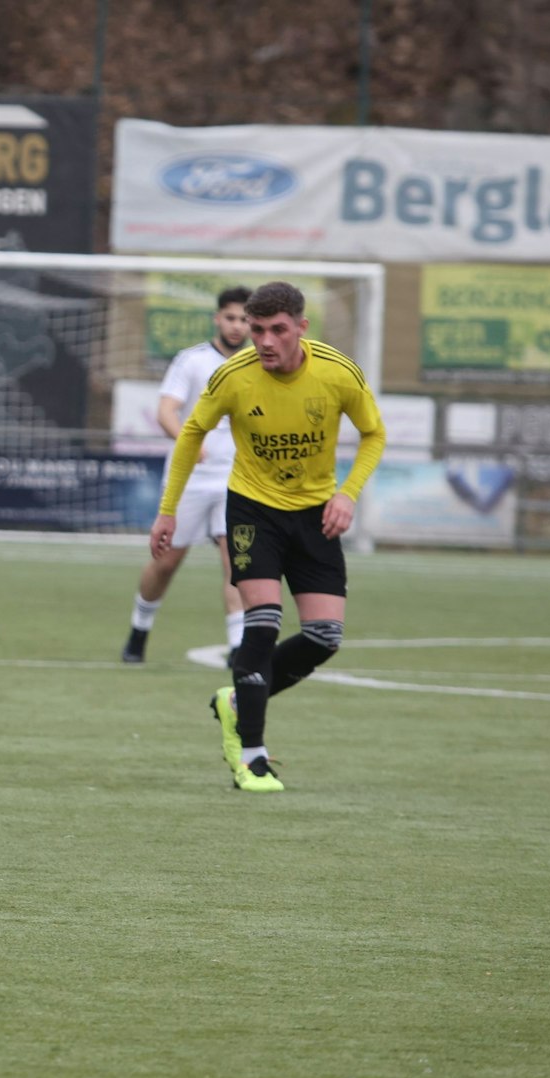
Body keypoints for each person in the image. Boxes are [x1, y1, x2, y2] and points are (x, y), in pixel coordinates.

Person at [150, 281, 386, 793]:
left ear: (301, 327)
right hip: (253, 510)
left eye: (278, 330)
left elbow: (374, 433)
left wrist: (347, 494)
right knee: (262, 623)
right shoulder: (234, 377)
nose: (265, 341)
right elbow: (191, 432)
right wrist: (168, 511)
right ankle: (252, 758)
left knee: (325, 637)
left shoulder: (337, 373)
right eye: (257, 330)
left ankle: (236, 699)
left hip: (315, 512)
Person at [121, 287, 251, 664]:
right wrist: (190, 443)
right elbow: (166, 411)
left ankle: (238, 647)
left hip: (237, 479)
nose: (237, 326)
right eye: (231, 318)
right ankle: (138, 632)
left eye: (244, 319)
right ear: (217, 318)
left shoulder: (258, 364)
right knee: (166, 562)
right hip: (191, 478)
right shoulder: (192, 360)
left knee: (237, 561)